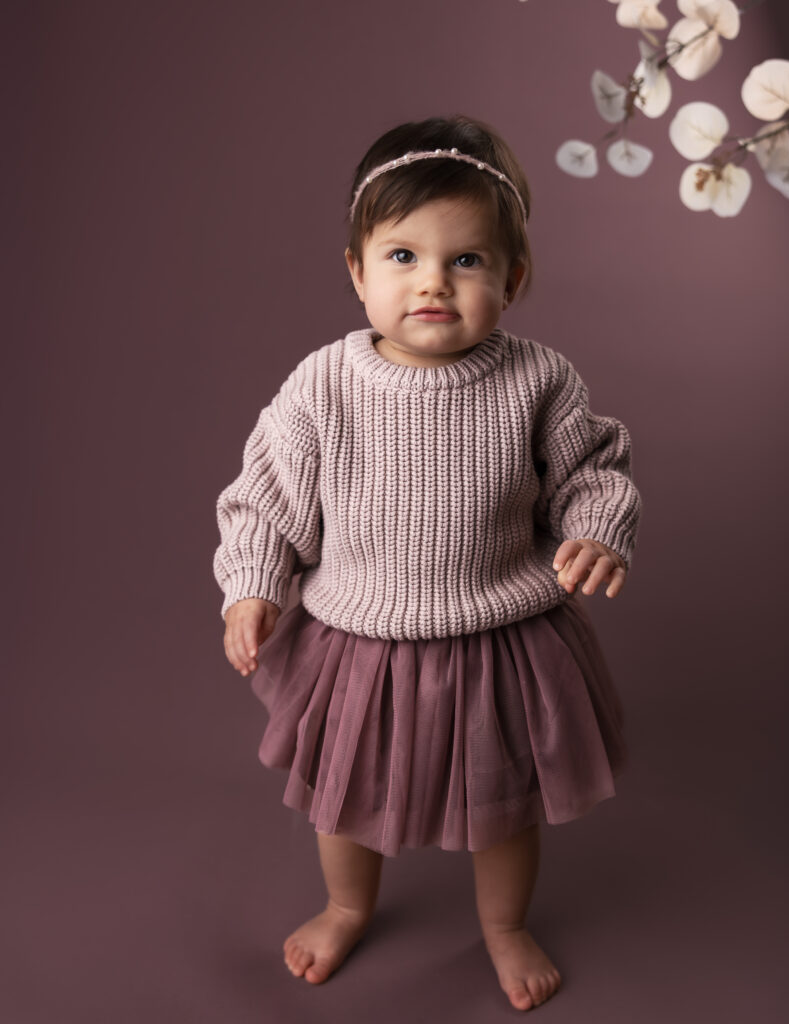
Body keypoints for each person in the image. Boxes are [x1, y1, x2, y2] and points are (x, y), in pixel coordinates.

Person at [213, 115, 641, 1012]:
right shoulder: (323, 385)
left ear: (513, 278)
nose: (432, 284)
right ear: (356, 271)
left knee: (505, 801)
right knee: (345, 799)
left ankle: (502, 924)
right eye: (402, 257)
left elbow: (591, 472)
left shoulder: (539, 380)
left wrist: (598, 529)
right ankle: (344, 904)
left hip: (502, 635)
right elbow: (266, 498)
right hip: (358, 637)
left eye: (467, 261)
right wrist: (250, 587)